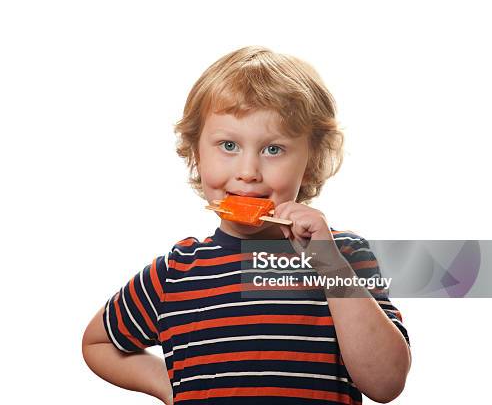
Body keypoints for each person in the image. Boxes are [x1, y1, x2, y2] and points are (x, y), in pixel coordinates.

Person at [82, 46, 411, 404]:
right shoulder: (174, 273)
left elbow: (386, 384)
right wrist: (168, 385)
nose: (248, 172)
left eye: (273, 149)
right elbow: (98, 342)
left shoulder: (341, 254)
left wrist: (330, 264)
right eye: (228, 145)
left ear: (312, 158)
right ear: (195, 153)